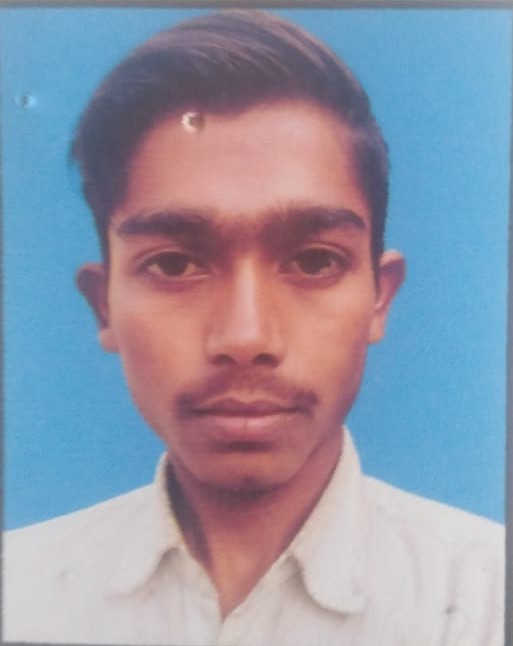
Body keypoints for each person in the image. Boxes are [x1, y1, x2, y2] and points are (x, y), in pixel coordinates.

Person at [4, 9, 504, 646]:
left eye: (314, 261)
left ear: (379, 298)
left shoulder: (488, 603)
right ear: (104, 307)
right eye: (175, 264)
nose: (246, 337)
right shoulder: (18, 595)